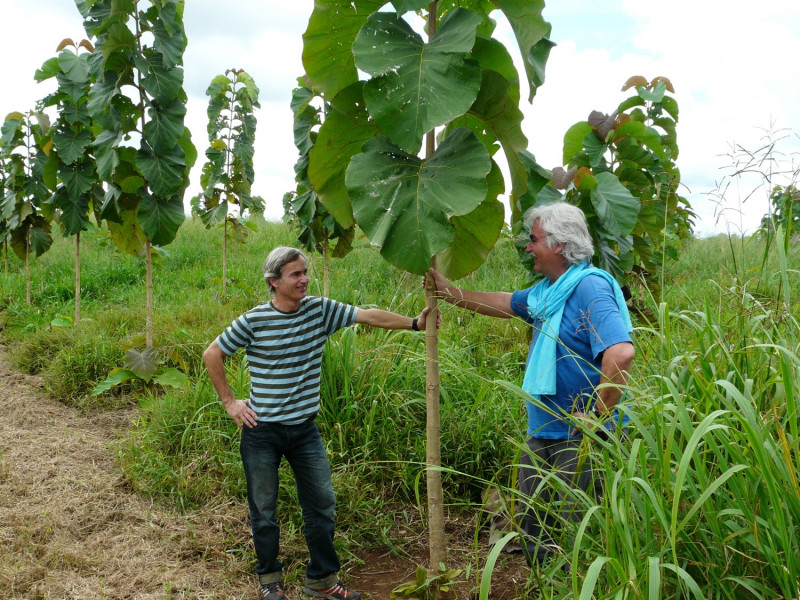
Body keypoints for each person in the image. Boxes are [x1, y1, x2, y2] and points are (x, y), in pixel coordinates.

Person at [203, 246, 436, 600]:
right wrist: (230, 402)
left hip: (304, 431)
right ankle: (269, 581)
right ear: (274, 281)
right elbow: (213, 354)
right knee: (264, 510)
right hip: (261, 431)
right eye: (295, 274)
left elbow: (368, 316)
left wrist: (416, 323)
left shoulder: (320, 310)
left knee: (322, 505)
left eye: (305, 272)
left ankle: (322, 581)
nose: (304, 279)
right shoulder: (254, 320)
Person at [428, 202, 634, 568]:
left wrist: (598, 416)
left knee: (578, 535)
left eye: (534, 239)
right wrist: (451, 294)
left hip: (580, 435)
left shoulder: (589, 287)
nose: (527, 247)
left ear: (558, 244)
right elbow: (508, 303)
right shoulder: (549, 291)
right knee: (536, 525)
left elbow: (620, 354)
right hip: (544, 429)